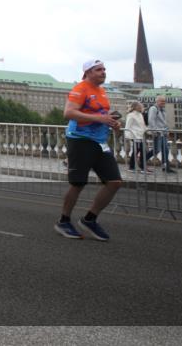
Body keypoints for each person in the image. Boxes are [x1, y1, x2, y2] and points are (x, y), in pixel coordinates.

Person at [55, 59, 123, 241]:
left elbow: (101, 115)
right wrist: (99, 119)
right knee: (78, 183)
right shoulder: (80, 88)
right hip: (80, 140)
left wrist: (112, 123)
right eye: (98, 70)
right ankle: (64, 220)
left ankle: (89, 219)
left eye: (104, 69)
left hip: (100, 141)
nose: (103, 72)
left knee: (114, 182)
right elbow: (68, 113)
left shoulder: (102, 91)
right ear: (87, 73)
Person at [123, 101, 153, 174]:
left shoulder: (140, 114)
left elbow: (143, 126)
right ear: (136, 107)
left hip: (141, 136)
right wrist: (128, 137)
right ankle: (138, 167)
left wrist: (150, 132)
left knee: (138, 151)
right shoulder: (131, 115)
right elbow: (128, 126)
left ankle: (135, 167)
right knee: (139, 151)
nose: (142, 107)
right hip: (135, 136)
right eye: (140, 106)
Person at [148, 96, 174, 173]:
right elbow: (151, 120)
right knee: (157, 150)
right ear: (157, 101)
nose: (163, 103)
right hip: (158, 133)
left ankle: (166, 167)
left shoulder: (163, 110)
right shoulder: (153, 109)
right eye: (162, 101)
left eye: (164, 101)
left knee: (165, 150)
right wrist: (155, 132)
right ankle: (143, 160)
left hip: (164, 133)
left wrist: (167, 131)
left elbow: (164, 122)